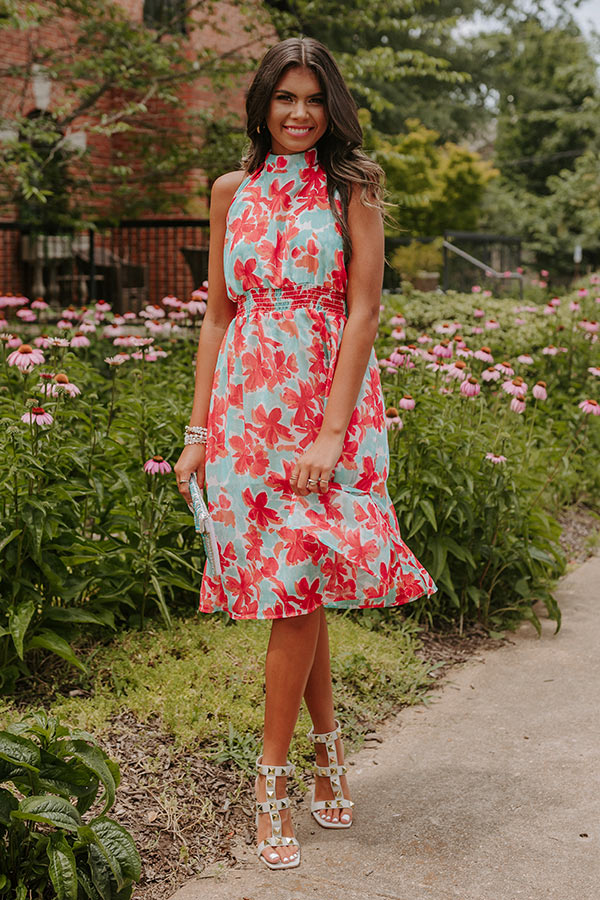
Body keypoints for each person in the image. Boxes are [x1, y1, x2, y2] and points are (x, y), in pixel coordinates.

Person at [174, 37, 436, 871]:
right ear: (261, 104)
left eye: (313, 100)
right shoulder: (229, 191)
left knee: (295, 586)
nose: (298, 113)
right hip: (247, 407)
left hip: (327, 405)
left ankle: (271, 780)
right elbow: (217, 315)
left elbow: (363, 312)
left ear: (333, 109)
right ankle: (329, 751)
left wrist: (329, 432)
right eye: (284, 98)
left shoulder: (351, 187)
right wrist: (197, 432)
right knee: (298, 586)